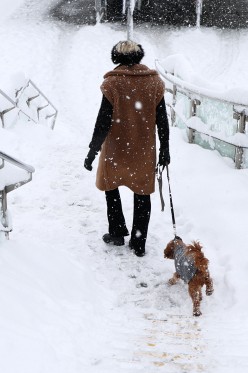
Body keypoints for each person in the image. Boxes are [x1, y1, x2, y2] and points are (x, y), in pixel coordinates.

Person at [84, 40, 170, 257]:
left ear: (117, 57)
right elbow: (162, 120)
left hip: (115, 148)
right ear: (139, 56)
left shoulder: (113, 84)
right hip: (143, 148)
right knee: (142, 193)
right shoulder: (154, 82)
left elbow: (102, 121)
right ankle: (139, 242)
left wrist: (93, 150)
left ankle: (116, 232)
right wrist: (164, 149)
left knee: (111, 187)